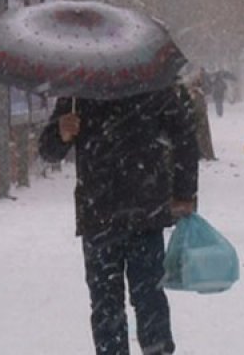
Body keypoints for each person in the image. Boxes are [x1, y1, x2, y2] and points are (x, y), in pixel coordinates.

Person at [38, 85, 199, 355]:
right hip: (100, 217)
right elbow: (48, 151)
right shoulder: (80, 90)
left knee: (148, 298)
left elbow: (184, 137)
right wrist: (60, 133)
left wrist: (184, 193)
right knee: (107, 304)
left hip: (143, 215)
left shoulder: (152, 85)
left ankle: (156, 350)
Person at [187, 73, 217, 160]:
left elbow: (198, 108)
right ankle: (204, 153)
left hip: (199, 120)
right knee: (202, 138)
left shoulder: (196, 94)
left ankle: (203, 153)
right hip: (201, 119)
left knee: (201, 138)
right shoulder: (198, 94)